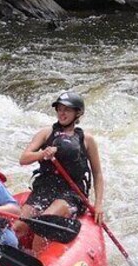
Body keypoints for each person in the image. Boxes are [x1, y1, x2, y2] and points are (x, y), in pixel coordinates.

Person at [13, 91, 104, 255]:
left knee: (44, 224)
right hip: (45, 189)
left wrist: (98, 205)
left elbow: (97, 173)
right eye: (59, 109)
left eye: (67, 110)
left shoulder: (87, 139)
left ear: (77, 113)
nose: (62, 113)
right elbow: (24, 159)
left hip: (70, 193)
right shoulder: (46, 133)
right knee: (18, 228)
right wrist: (43, 154)